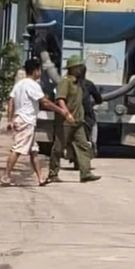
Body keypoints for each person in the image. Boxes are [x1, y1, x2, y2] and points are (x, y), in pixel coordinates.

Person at [2, 58, 74, 186]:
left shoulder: (19, 84)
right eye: (39, 70)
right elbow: (45, 102)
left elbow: (11, 100)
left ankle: (40, 177)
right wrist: (62, 111)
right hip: (27, 120)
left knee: (33, 151)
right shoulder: (33, 85)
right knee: (18, 149)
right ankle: (6, 176)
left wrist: (10, 119)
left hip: (22, 119)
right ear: (36, 71)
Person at [46, 55, 100, 184]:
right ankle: (53, 173)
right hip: (65, 121)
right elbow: (60, 99)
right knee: (59, 148)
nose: (81, 69)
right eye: (78, 66)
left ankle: (85, 173)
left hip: (78, 121)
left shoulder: (79, 83)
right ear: (72, 68)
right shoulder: (65, 82)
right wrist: (66, 113)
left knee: (83, 146)